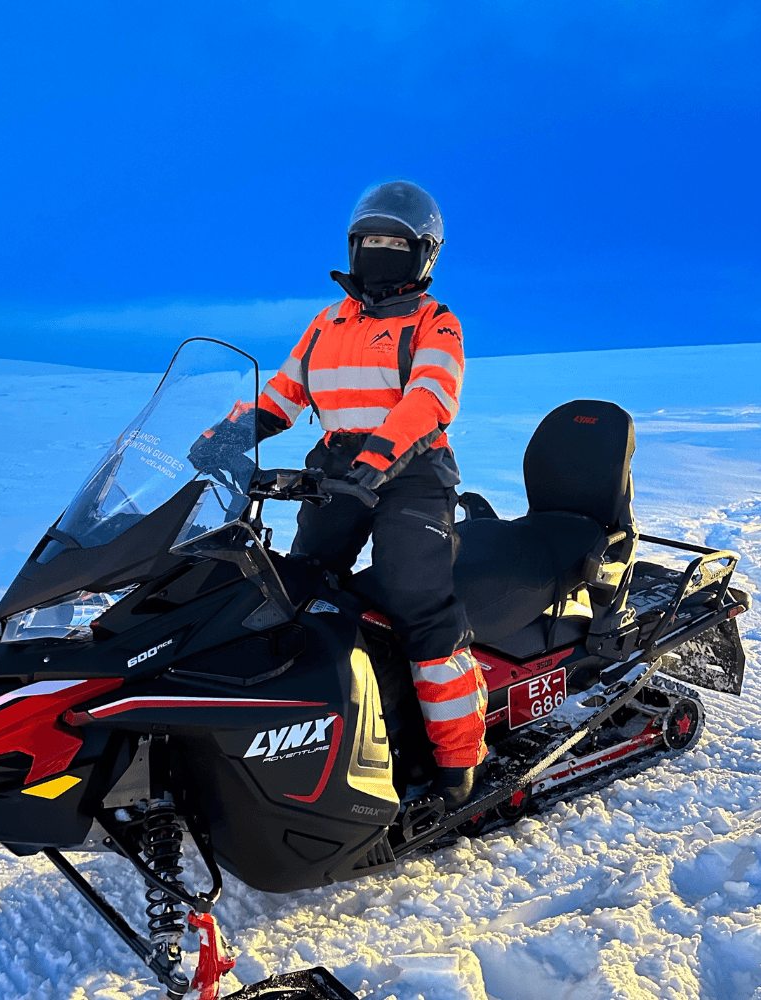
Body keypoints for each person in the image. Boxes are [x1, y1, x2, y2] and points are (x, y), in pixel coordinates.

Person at [191, 181, 487, 809]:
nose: (379, 253)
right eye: (370, 242)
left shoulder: (435, 322)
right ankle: (314, 736)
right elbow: (283, 393)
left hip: (411, 473)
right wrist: (230, 436)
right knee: (299, 588)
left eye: (394, 244)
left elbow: (429, 400)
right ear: (353, 248)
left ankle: (458, 760)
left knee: (419, 603)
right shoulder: (328, 323)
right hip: (336, 470)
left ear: (422, 254)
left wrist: (378, 458)